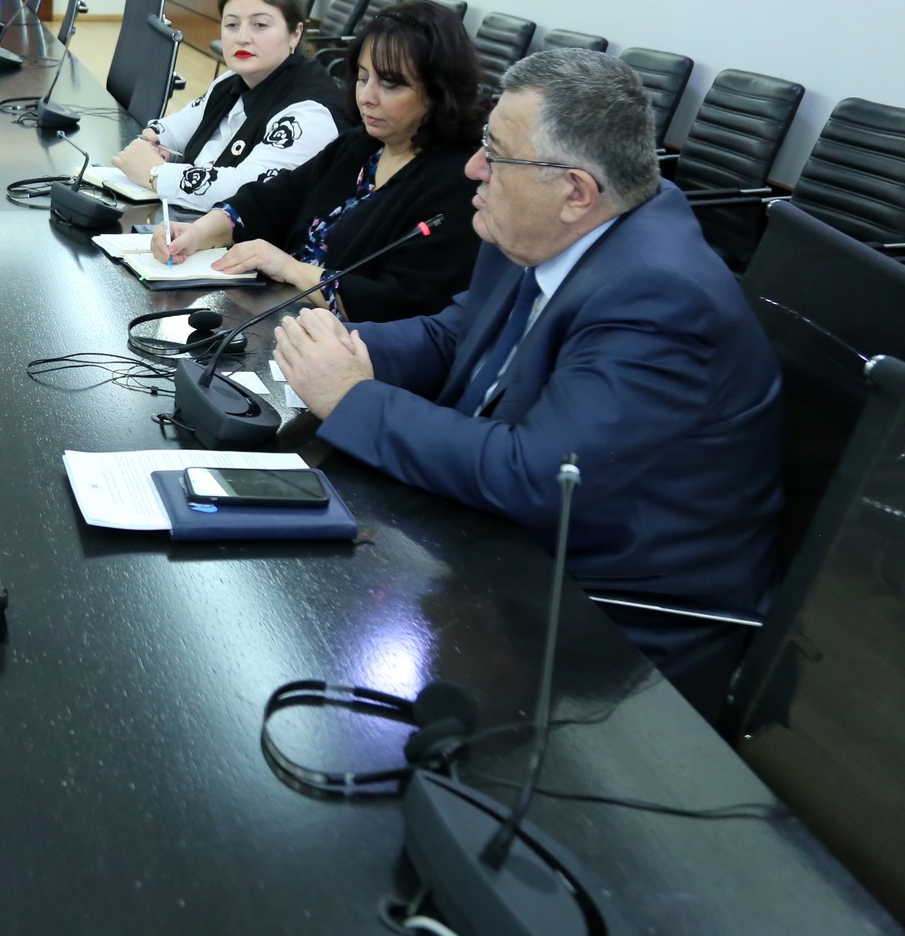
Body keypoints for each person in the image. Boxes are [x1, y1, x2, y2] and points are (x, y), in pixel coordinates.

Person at [273, 49, 782, 705]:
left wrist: (350, 397)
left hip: (605, 623)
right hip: (499, 545)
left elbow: (538, 475)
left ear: (575, 191)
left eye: (495, 155)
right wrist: (344, 348)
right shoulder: (549, 227)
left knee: (317, 632)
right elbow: (455, 335)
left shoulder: (660, 298)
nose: (472, 168)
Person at [151, 0, 485, 322]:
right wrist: (198, 232)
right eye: (363, 77)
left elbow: (401, 302)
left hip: (346, 345)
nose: (367, 97)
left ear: (439, 91)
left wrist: (291, 268)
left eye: (390, 84)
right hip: (282, 315)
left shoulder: (460, 182)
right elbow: (274, 199)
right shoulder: (361, 146)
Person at [111, 0, 343, 211]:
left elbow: (245, 191)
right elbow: (175, 129)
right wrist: (151, 143)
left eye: (260, 25)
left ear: (295, 34)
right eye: (232, 24)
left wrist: (155, 172)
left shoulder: (311, 113)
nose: (242, 37)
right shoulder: (232, 79)